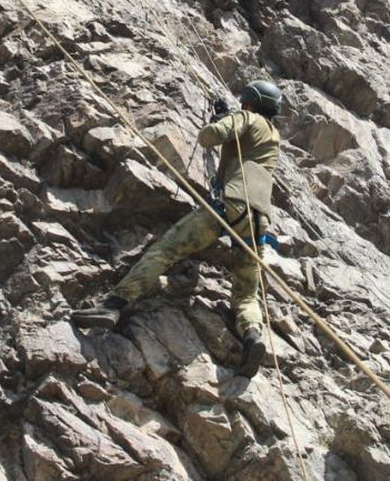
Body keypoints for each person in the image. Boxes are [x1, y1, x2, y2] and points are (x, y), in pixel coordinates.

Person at [72, 80, 284, 378]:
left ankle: (113, 304)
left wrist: (225, 120)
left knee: (166, 250)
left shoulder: (246, 118)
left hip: (229, 206)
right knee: (247, 293)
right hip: (258, 220)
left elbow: (210, 137)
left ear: (249, 103)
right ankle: (252, 335)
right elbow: (239, 153)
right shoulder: (273, 137)